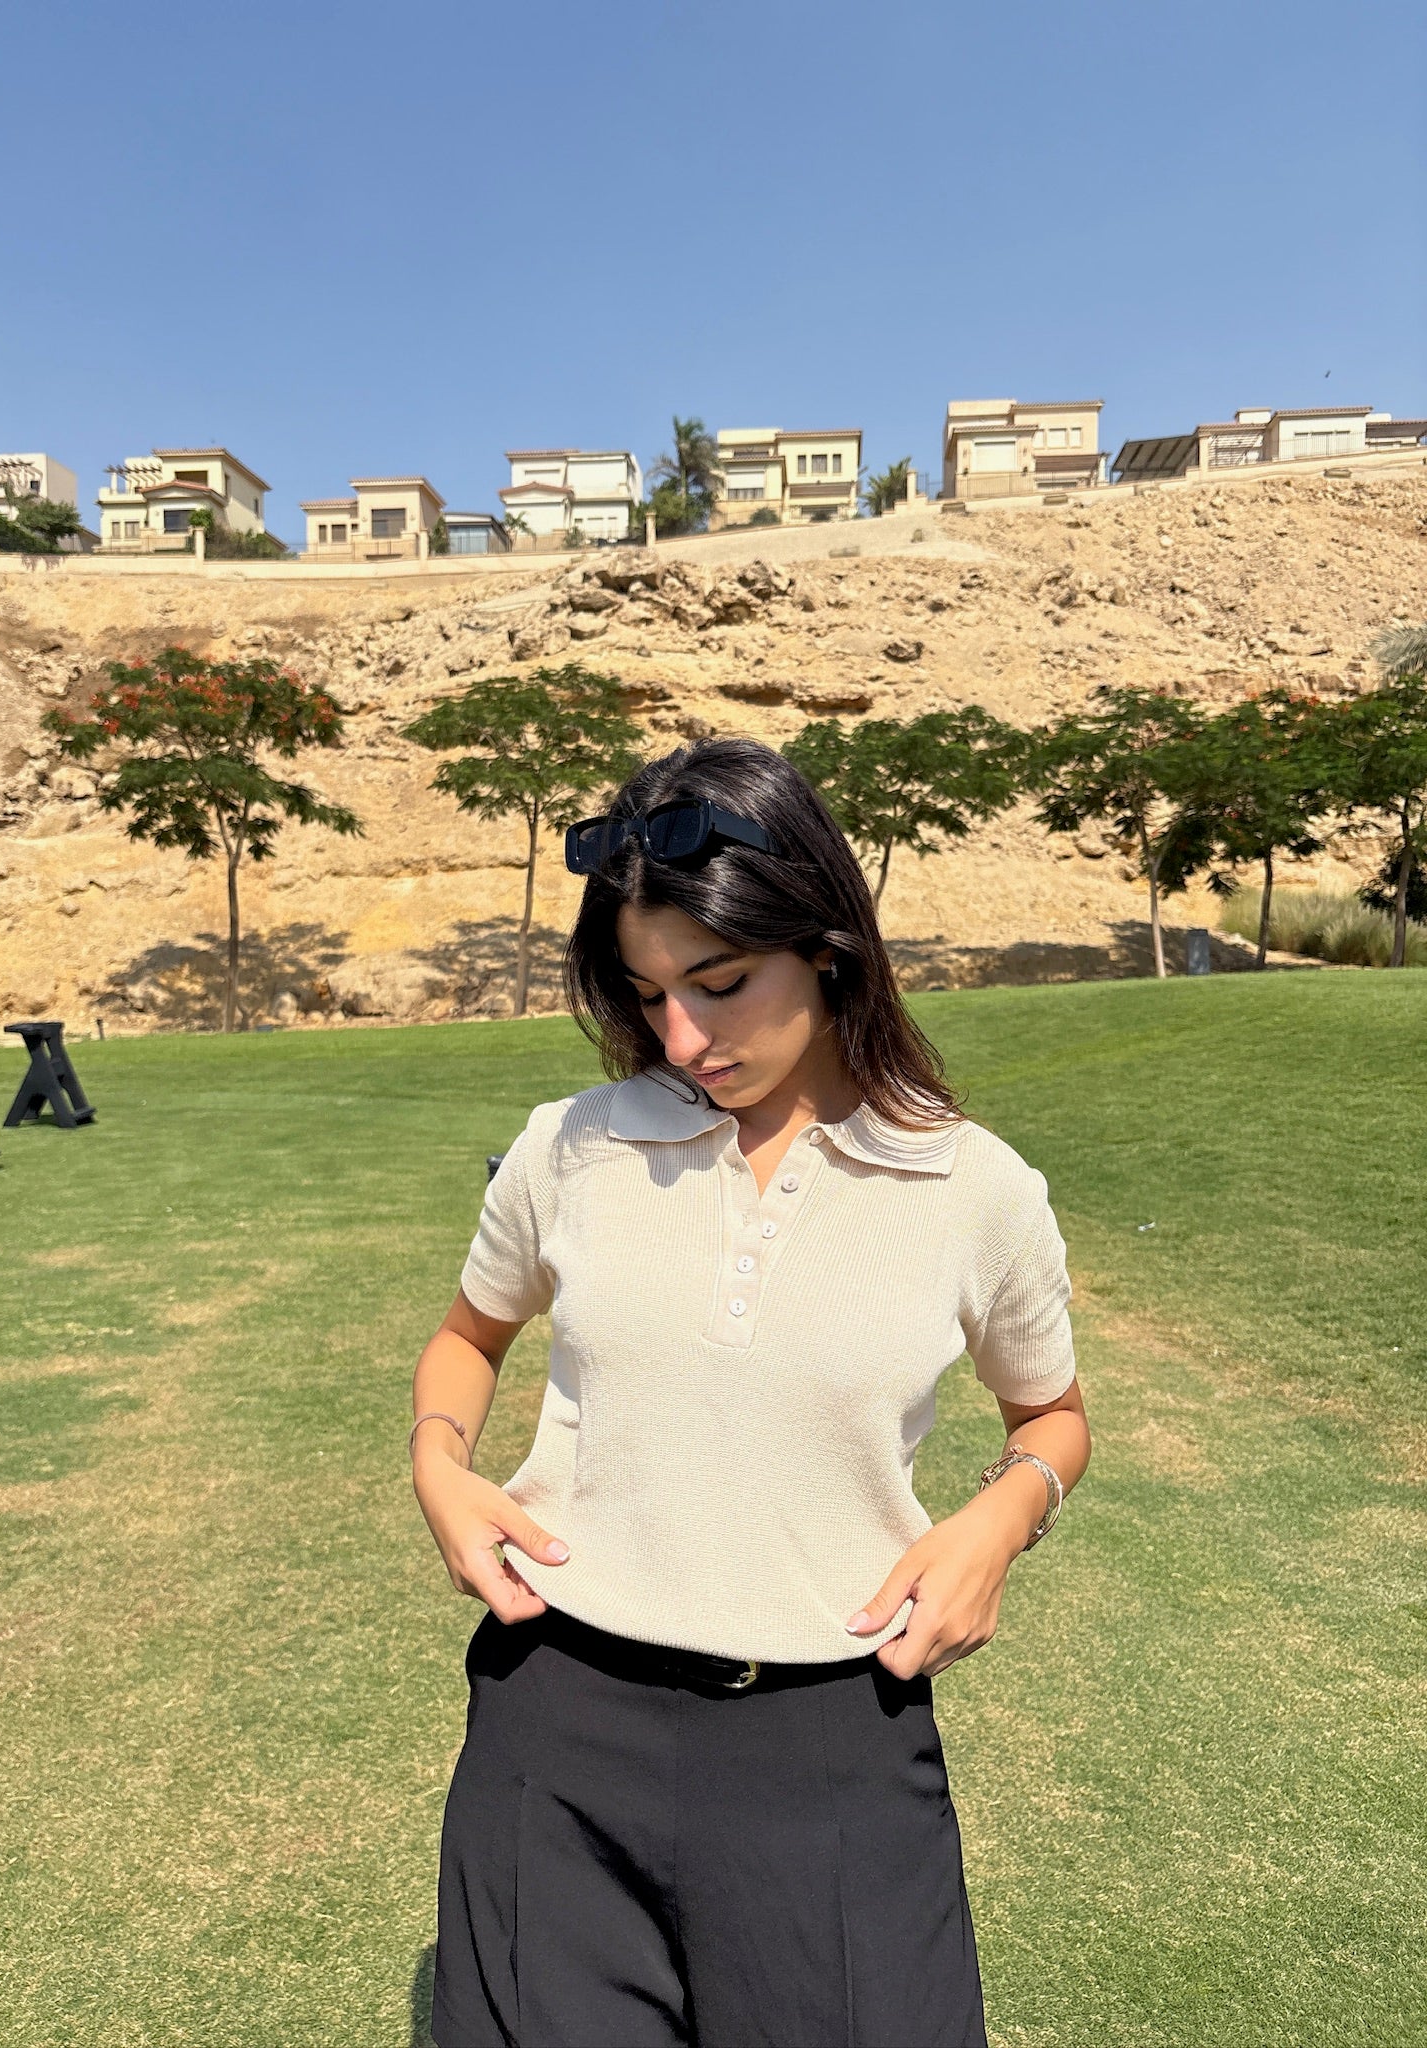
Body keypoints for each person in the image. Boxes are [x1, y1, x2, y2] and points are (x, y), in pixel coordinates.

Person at [413, 735, 1092, 2048]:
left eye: (720, 983)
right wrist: (439, 1462)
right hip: (556, 1717)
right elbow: (467, 1337)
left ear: (827, 948)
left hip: (832, 1735)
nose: (682, 1035)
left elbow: (1052, 1417)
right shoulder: (570, 1148)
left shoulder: (976, 1190)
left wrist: (1001, 1519)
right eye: (647, 991)